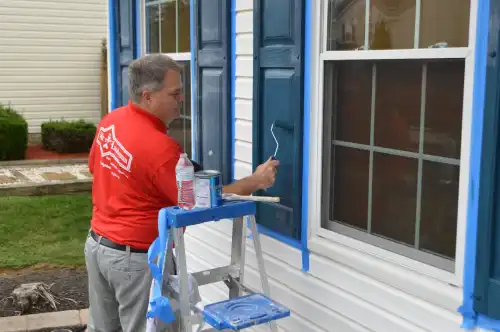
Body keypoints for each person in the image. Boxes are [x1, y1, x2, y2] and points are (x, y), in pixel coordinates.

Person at [84, 53, 280, 332]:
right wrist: (256, 180)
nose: (181, 100)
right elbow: (207, 201)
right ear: (148, 95)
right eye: (175, 93)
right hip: (136, 262)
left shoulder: (111, 122)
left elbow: (98, 168)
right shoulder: (160, 149)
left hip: (98, 248)